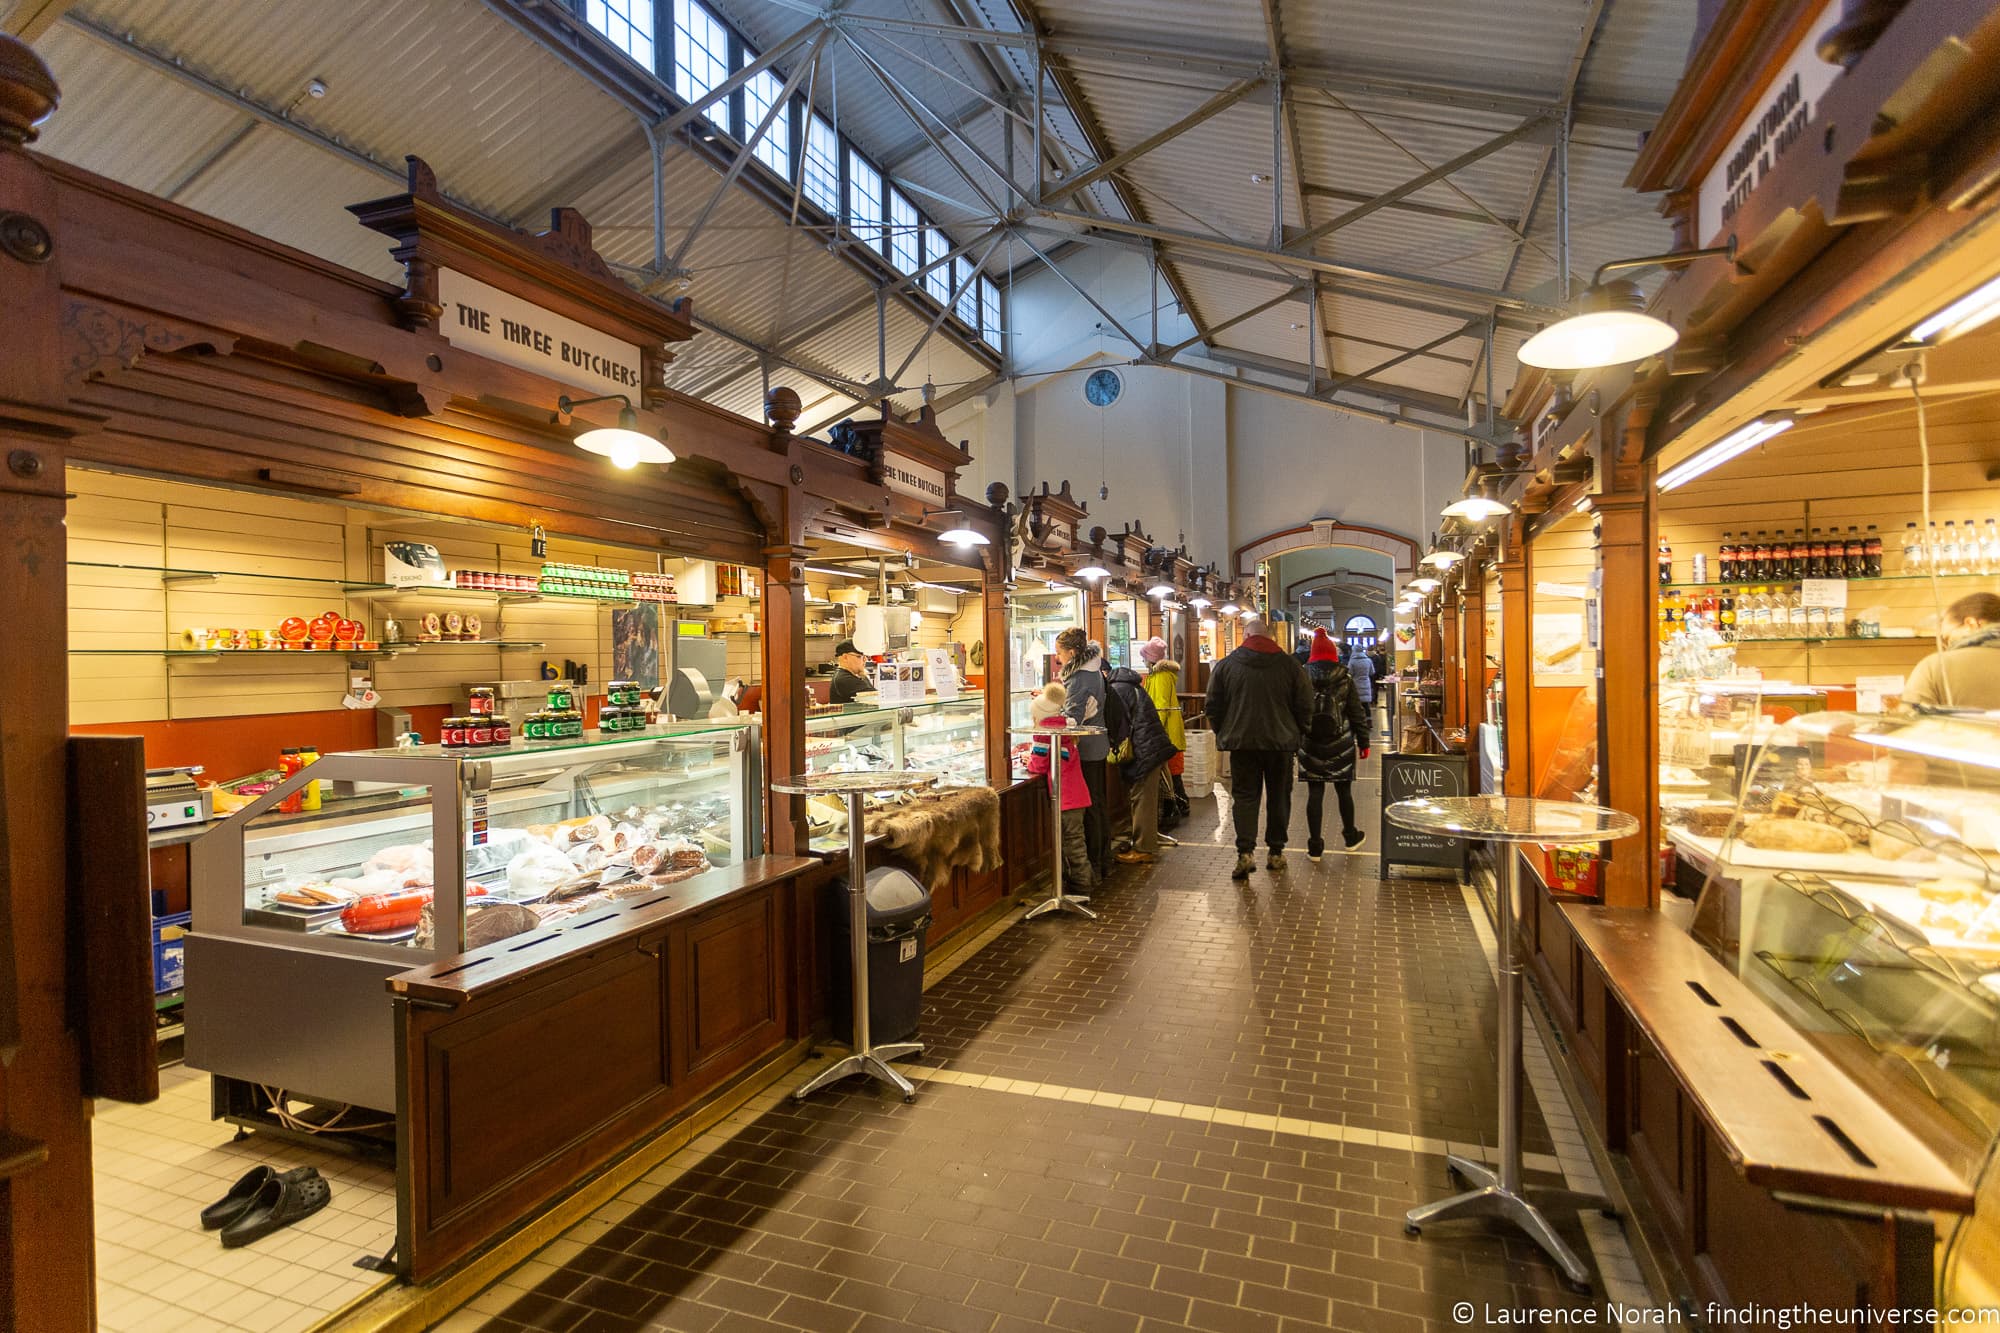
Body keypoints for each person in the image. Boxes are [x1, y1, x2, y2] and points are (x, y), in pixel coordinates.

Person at [1205, 619, 1313, 880]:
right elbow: (1305, 704)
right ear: (1269, 636)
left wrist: (1226, 732)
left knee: (1244, 797)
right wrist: (1298, 733)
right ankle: (1276, 853)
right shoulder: (1290, 666)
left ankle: (1245, 852)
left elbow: (1213, 706)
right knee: (1279, 797)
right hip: (1280, 745)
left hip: (1243, 745)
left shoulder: (1226, 665)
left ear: (1246, 635)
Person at [1298, 630, 1370, 860]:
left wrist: (1295, 740)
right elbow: (1357, 713)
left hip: (1310, 742)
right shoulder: (1345, 678)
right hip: (1342, 741)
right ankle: (1350, 836)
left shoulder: (1301, 677)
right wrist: (1364, 742)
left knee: (1314, 792)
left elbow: (1295, 711)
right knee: (1343, 790)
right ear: (1333, 653)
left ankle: (1315, 846)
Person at [1019, 683, 1094, 890]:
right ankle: (1082, 882)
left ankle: (1080, 886)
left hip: (1065, 798)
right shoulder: (1064, 727)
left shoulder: (1044, 733)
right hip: (1077, 795)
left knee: (1071, 843)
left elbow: (1041, 764)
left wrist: (1029, 760)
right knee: (1076, 841)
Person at [1106, 652, 1179, 862]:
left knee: (1143, 799)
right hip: (1151, 747)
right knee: (1145, 799)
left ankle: (1143, 849)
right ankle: (1145, 841)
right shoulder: (1131, 686)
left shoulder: (1118, 690)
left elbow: (1118, 723)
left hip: (1144, 750)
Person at [1054, 628, 1115, 879]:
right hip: (1098, 744)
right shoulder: (1093, 669)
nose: (1058, 658)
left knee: (1090, 807)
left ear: (1071, 652)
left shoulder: (1079, 677)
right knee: (1098, 804)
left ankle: (1093, 865)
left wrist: (1050, 713)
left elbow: (1073, 719)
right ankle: (1103, 860)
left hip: (1087, 748)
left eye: (1059, 653)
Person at [1905, 593, 2000, 709]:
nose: (1946, 647)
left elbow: (1911, 719)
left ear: (1971, 624)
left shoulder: (1935, 666)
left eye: (1947, 639)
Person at [1140, 638, 1190, 825]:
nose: (1143, 661)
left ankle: (1178, 807)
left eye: (1145, 657)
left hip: (1166, 734)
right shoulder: (1158, 675)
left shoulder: (1160, 677)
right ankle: (1180, 806)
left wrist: (1153, 731)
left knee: (1172, 774)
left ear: (1151, 659)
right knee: (1173, 774)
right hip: (1169, 733)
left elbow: (1160, 707)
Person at [828, 639, 873, 704]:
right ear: (845, 657)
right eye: (859, 656)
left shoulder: (849, 676)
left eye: (865, 656)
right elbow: (876, 698)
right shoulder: (844, 679)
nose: (865, 659)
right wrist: (863, 675)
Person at [1347, 642, 1376, 737]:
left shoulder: (1352, 661)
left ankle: (1357, 723)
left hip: (1355, 685)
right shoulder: (1368, 660)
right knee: (1366, 705)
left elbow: (1349, 673)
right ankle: (1369, 722)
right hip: (1366, 683)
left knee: (1356, 705)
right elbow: (1372, 672)